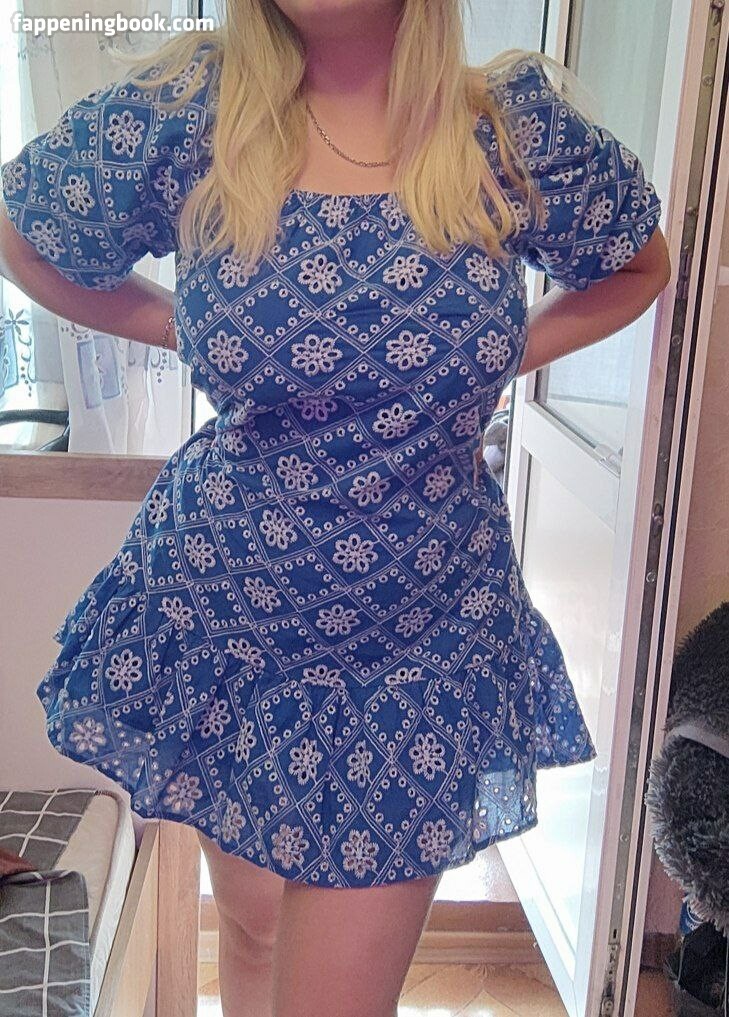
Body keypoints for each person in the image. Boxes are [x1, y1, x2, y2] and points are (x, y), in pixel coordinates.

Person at [0, 2, 671, 1015]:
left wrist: (495, 355)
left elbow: (639, 265)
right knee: (255, 933)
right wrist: (184, 326)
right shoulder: (189, 113)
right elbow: (27, 238)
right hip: (229, 616)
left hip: (419, 636)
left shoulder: (509, 133)